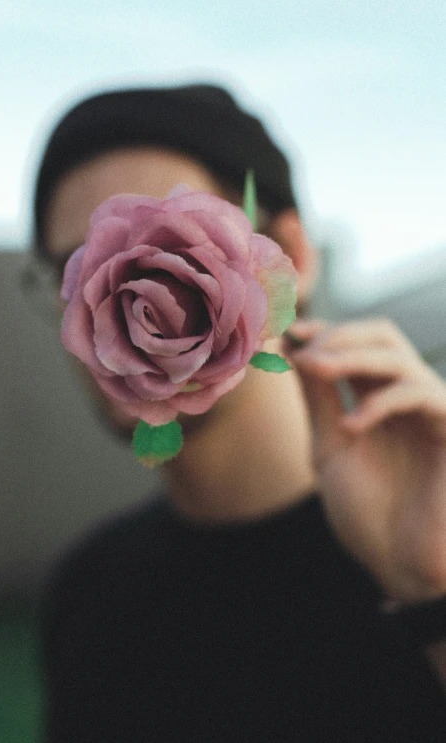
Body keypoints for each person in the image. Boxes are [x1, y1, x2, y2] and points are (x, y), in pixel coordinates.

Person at [33, 83, 446, 741]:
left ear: (293, 259)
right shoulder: (89, 591)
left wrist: (432, 597)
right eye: (70, 268)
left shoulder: (428, 543)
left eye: (158, 245)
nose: (100, 298)